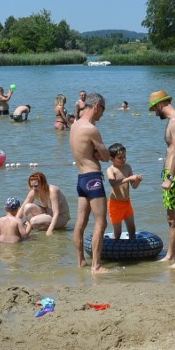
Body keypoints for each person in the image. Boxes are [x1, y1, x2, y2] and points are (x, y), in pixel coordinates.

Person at [70, 92, 111, 274]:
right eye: (103, 109)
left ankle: (81, 261)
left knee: (81, 222)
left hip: (81, 178)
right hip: (93, 177)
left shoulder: (74, 126)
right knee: (101, 223)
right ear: (96, 106)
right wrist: (99, 154)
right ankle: (96, 266)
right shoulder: (91, 129)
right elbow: (106, 156)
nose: (103, 114)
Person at [149, 90, 175, 268]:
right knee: (171, 219)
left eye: (154, 110)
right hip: (170, 175)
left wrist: (171, 177)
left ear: (160, 105)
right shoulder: (173, 121)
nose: (154, 113)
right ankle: (170, 255)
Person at [106, 143, 142, 240]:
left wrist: (137, 181)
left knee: (132, 229)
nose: (123, 159)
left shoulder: (127, 167)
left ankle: (133, 249)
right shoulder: (111, 170)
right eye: (120, 157)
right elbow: (113, 183)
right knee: (117, 233)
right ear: (112, 159)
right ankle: (113, 250)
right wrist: (129, 178)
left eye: (124, 156)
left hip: (127, 203)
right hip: (115, 204)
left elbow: (133, 186)